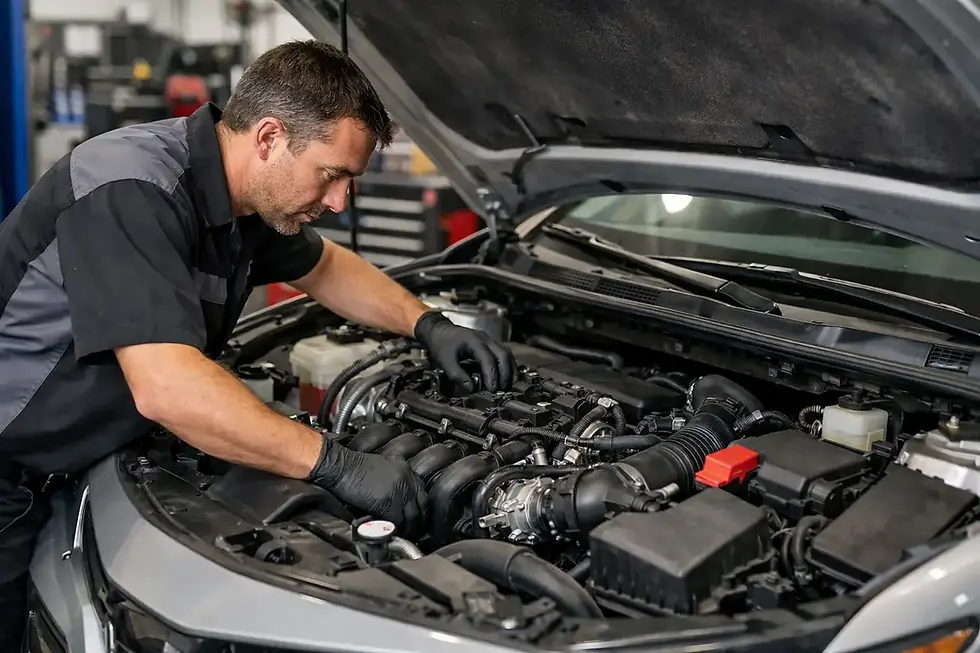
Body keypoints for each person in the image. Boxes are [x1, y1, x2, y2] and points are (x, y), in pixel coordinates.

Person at [0, 40, 515, 648]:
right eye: (333, 174)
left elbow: (326, 269)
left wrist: (428, 325)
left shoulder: (245, 199)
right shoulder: (130, 186)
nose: (338, 201)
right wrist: (336, 464)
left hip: (77, 460)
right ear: (269, 137)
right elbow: (167, 388)